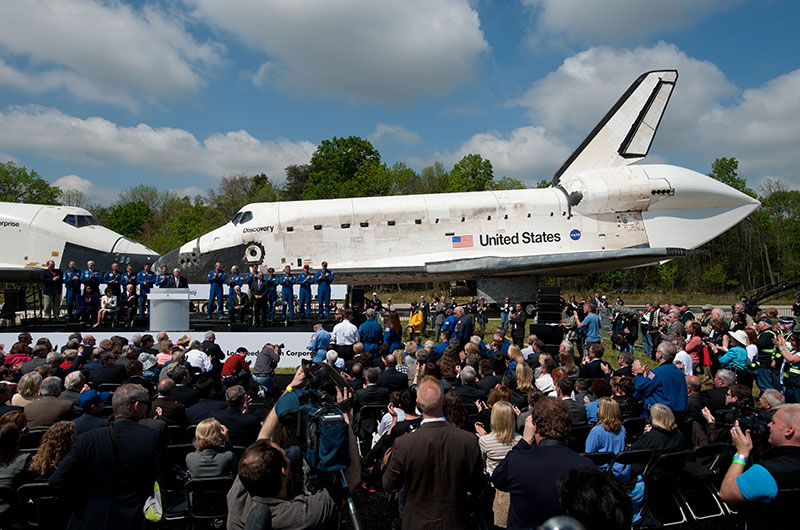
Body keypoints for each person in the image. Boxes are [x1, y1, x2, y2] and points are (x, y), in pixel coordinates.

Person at [226, 368, 360, 530]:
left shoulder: (236, 499)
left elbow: (263, 440)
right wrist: (345, 418)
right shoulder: (301, 516)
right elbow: (352, 479)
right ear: (284, 471)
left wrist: (292, 386)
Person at [49, 384, 169, 530]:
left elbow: (57, 480)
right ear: (136, 406)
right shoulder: (152, 437)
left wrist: (85, 502)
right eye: (146, 404)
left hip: (90, 519)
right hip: (134, 519)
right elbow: (162, 481)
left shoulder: (86, 440)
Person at [383, 376, 485, 529]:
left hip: (418, 523)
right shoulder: (468, 441)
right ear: (443, 402)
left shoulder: (404, 444)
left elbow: (389, 485)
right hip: (456, 522)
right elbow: (477, 485)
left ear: (418, 404)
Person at [492, 397, 595, 528]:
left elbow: (498, 479)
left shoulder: (517, 461)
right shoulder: (586, 466)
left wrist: (524, 443)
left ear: (535, 427)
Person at [719, 404, 800, 527]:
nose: (768, 426)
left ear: (789, 431)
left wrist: (742, 453)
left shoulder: (768, 472)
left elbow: (727, 493)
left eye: (773, 422)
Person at [631, 341, 688, 413]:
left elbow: (641, 387)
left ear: (660, 355)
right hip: (678, 413)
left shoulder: (658, 372)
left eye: (656, 351)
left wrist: (639, 374)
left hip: (661, 415)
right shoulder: (680, 373)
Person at [585, 398, 629, 481]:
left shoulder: (596, 431)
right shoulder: (622, 428)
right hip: (623, 472)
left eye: (598, 407)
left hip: (605, 475)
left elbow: (589, 455)